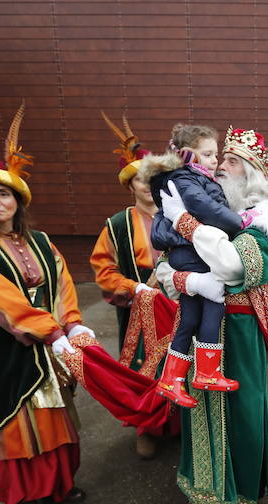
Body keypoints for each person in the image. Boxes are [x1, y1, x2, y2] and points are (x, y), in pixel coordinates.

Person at [0, 105, 93, 504]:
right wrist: (50, 332)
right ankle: (24, 497)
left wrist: (71, 322)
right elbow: (0, 298)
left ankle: (59, 484)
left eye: (3, 193)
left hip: (48, 341)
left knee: (57, 414)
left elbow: (62, 282)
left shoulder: (41, 240)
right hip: (4, 347)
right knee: (19, 423)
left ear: (18, 200)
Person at [157, 125, 268, 504]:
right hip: (199, 326)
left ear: (251, 172)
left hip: (242, 331)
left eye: (230, 162)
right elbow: (162, 270)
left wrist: (183, 221)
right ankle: (202, 495)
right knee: (195, 407)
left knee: (246, 415)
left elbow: (234, 267)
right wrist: (189, 283)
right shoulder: (209, 207)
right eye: (218, 160)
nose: (219, 168)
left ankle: (245, 498)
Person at [91, 112, 176, 459]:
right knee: (144, 370)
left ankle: (180, 424)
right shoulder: (116, 224)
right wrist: (133, 287)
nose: (147, 186)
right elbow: (103, 270)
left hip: (177, 307)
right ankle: (148, 427)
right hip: (139, 314)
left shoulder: (178, 217)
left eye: (153, 179)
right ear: (130, 185)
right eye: (141, 180)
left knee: (180, 364)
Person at [147, 124, 244, 406]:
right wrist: (238, 223)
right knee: (215, 302)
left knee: (189, 318)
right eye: (209, 154)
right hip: (194, 254)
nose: (215, 160)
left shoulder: (186, 177)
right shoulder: (186, 179)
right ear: (189, 155)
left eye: (216, 154)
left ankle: (171, 379)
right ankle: (207, 372)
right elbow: (206, 208)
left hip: (189, 252)